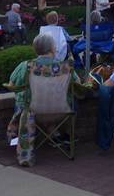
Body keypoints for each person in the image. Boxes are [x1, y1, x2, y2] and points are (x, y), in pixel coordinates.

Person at [5, 34, 84, 166]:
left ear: (35, 49)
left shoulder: (26, 66)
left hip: (33, 114)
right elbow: (78, 83)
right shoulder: (65, 67)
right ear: (52, 48)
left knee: (21, 102)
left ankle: (21, 140)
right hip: (62, 113)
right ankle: (64, 135)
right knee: (74, 100)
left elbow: (12, 83)